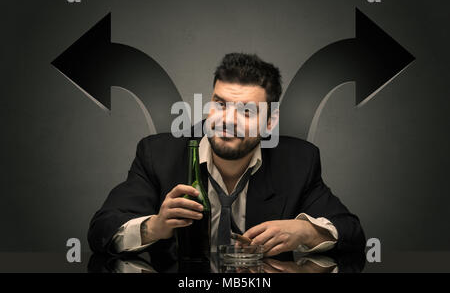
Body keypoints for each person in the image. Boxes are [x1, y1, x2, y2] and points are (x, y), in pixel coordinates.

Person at [88, 53, 365, 257]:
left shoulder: (299, 161)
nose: (227, 121)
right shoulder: (158, 155)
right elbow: (101, 230)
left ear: (270, 121)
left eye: (246, 111)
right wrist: (155, 226)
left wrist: (305, 231)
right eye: (220, 104)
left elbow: (352, 233)